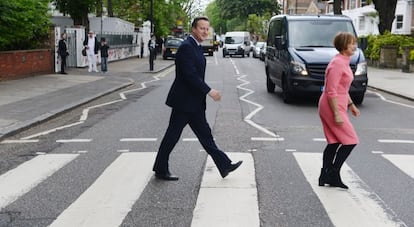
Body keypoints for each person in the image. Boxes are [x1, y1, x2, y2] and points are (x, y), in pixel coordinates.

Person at [152, 16, 243, 181]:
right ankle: (160, 169)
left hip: (194, 103)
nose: (205, 31)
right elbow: (189, 75)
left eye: (207, 29)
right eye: (202, 28)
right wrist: (209, 91)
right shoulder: (187, 47)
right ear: (194, 28)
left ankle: (224, 165)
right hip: (184, 102)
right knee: (172, 136)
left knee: (206, 136)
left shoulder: (196, 46)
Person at [318, 32, 361, 189]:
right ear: (343, 46)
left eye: (354, 43)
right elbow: (331, 91)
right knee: (351, 140)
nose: (354, 46)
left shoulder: (344, 61)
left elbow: (342, 88)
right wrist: (336, 113)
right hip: (331, 106)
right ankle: (333, 174)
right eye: (351, 44)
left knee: (334, 142)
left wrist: (351, 105)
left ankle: (325, 175)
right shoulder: (337, 64)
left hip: (338, 103)